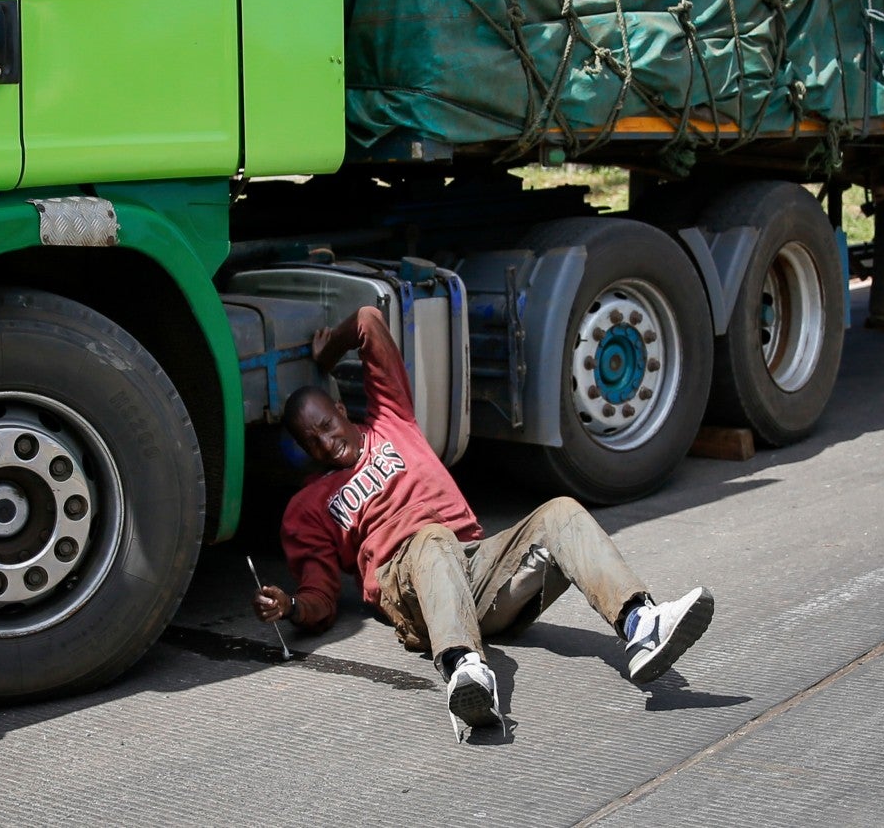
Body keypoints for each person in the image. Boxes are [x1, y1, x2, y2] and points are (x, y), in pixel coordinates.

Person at [252, 307, 714, 738]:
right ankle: (464, 669)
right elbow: (319, 596)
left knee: (561, 512)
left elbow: (369, 322)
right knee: (429, 538)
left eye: (326, 426)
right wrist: (291, 606)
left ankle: (640, 624)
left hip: (475, 569)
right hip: (412, 588)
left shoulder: (392, 420)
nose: (326, 443)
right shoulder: (309, 506)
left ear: (341, 411)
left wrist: (328, 352)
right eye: (311, 441)